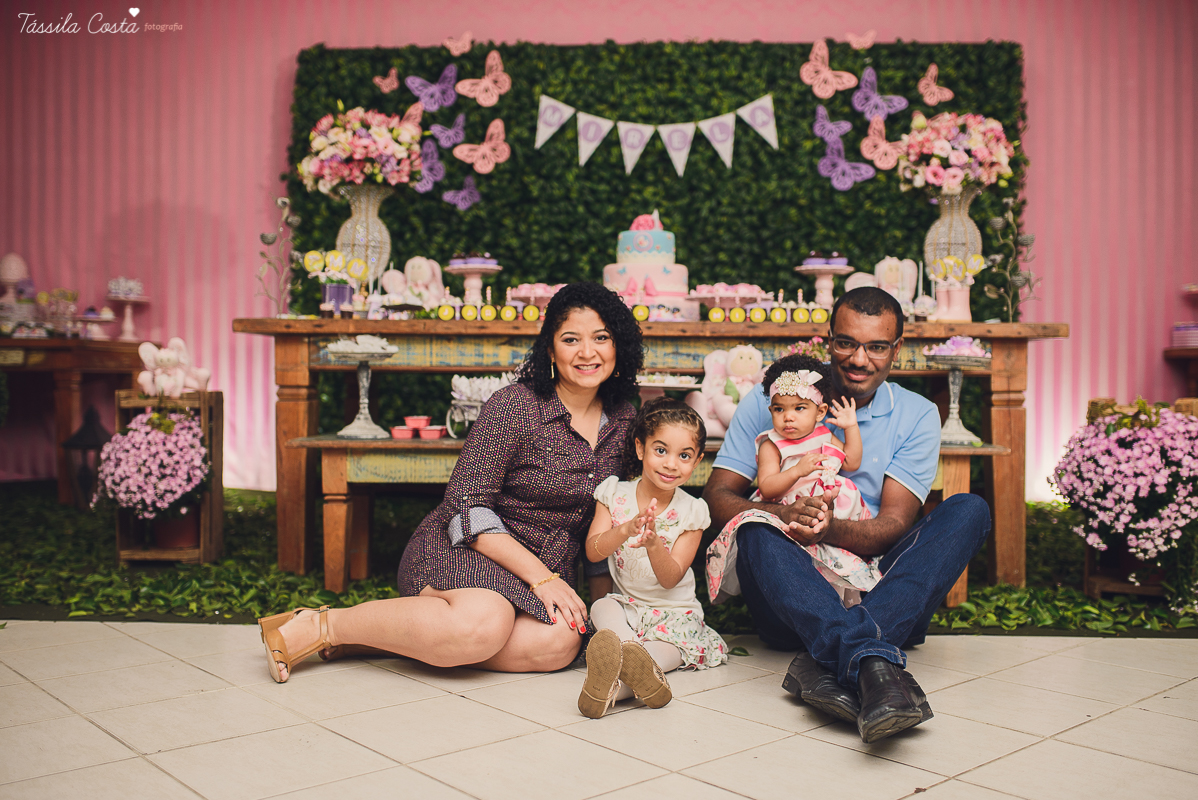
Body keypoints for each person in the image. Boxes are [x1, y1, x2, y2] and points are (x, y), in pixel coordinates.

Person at [259, 282, 644, 682]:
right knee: (484, 622)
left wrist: (601, 610)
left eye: (601, 338)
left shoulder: (624, 421)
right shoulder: (515, 406)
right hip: (466, 551)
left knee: (560, 643)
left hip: (543, 574)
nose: (587, 352)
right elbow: (466, 507)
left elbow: (607, 519)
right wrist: (542, 578)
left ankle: (398, 637)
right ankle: (323, 624)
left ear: (618, 345)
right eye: (571, 339)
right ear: (550, 349)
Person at [702, 286, 991, 743]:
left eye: (877, 347)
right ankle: (873, 660)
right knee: (755, 528)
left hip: (875, 586)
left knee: (970, 510)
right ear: (828, 339)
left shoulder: (917, 414)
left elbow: (892, 528)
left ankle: (828, 658)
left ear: (897, 348)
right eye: (846, 343)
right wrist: (785, 513)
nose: (859, 359)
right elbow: (718, 496)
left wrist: (826, 527)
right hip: (791, 594)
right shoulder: (776, 397)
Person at [577, 397, 728, 719]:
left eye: (684, 455)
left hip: (675, 615)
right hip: (629, 609)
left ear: (697, 460)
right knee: (602, 606)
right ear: (640, 448)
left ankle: (610, 687)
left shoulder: (692, 512)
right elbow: (593, 550)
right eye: (661, 450)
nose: (671, 464)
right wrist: (625, 529)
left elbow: (671, 578)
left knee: (666, 652)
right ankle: (630, 658)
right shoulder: (613, 494)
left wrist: (654, 545)